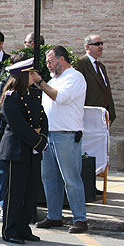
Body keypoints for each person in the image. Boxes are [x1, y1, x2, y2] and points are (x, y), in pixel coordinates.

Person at [34, 46, 89, 234]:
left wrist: (40, 82)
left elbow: (62, 98)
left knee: (71, 178)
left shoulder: (74, 77)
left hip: (66, 134)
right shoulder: (53, 80)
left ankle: (80, 218)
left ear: (62, 59)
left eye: (51, 60)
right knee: (49, 178)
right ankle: (54, 215)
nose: (48, 64)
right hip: (50, 134)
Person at [0, 58, 49, 244]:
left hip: (31, 148)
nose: (34, 76)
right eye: (30, 73)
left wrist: (43, 137)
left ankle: (23, 227)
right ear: (22, 75)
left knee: (29, 191)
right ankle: (10, 230)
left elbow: (42, 118)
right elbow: (17, 125)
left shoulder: (34, 94)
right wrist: (37, 141)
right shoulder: (11, 97)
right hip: (16, 149)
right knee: (15, 193)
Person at [0, 52, 29, 222]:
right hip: (6, 136)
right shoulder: (5, 86)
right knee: (5, 177)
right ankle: (5, 207)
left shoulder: (31, 87)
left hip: (25, 138)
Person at [75, 34, 116, 124]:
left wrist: (111, 111)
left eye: (101, 44)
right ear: (87, 46)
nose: (101, 46)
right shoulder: (80, 64)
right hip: (89, 114)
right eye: (97, 44)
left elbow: (105, 89)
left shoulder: (101, 66)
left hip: (103, 114)